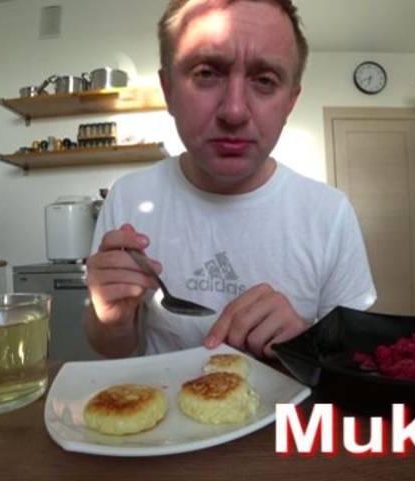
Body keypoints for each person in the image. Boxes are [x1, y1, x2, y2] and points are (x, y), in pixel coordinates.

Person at [83, 0, 376, 359]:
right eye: (207, 73)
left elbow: (351, 359)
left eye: (264, 80)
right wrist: (112, 321)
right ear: (168, 90)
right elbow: (110, 348)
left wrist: (304, 342)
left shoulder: (330, 213)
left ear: (290, 103)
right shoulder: (128, 197)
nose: (234, 111)